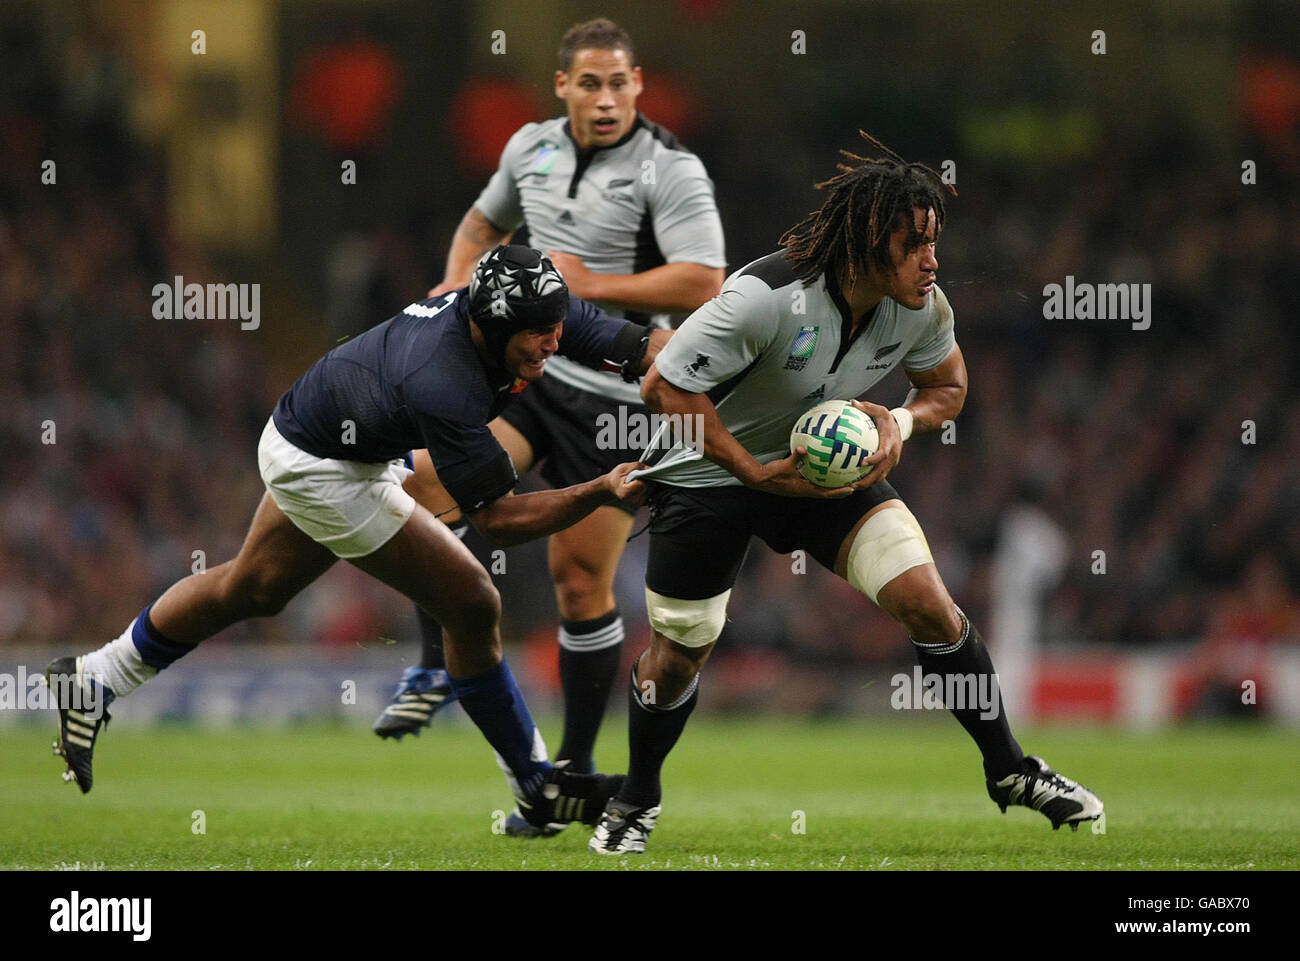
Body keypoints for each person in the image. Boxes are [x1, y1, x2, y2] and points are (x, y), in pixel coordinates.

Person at [587, 135, 1105, 855]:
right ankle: (637, 795)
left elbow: (948, 388)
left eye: (935, 242)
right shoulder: (763, 299)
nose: (932, 260)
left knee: (930, 605)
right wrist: (750, 468)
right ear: (867, 240)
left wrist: (899, 419)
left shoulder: (921, 305)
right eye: (913, 242)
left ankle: (1010, 769)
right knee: (679, 656)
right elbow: (663, 385)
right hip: (707, 475)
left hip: (822, 472)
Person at [47, 246, 664, 833]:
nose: (554, 343)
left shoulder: (524, 311)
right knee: (474, 603)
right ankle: (536, 784)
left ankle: (94, 679)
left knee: (252, 588)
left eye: (557, 326)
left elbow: (632, 342)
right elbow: (498, 519)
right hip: (325, 465)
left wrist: (706, 372)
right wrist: (601, 489)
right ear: (493, 327)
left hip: (317, 433)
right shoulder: (443, 381)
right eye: (539, 334)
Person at [373, 18, 725, 835]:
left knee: (578, 581)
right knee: (423, 492)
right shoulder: (527, 149)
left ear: (638, 86)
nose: (606, 99)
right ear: (562, 87)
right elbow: (479, 227)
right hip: (532, 374)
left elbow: (706, 281)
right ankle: (434, 657)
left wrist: (593, 281)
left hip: (618, 394)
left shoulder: (671, 169)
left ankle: (564, 774)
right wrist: (455, 296)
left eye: (619, 83)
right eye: (589, 84)